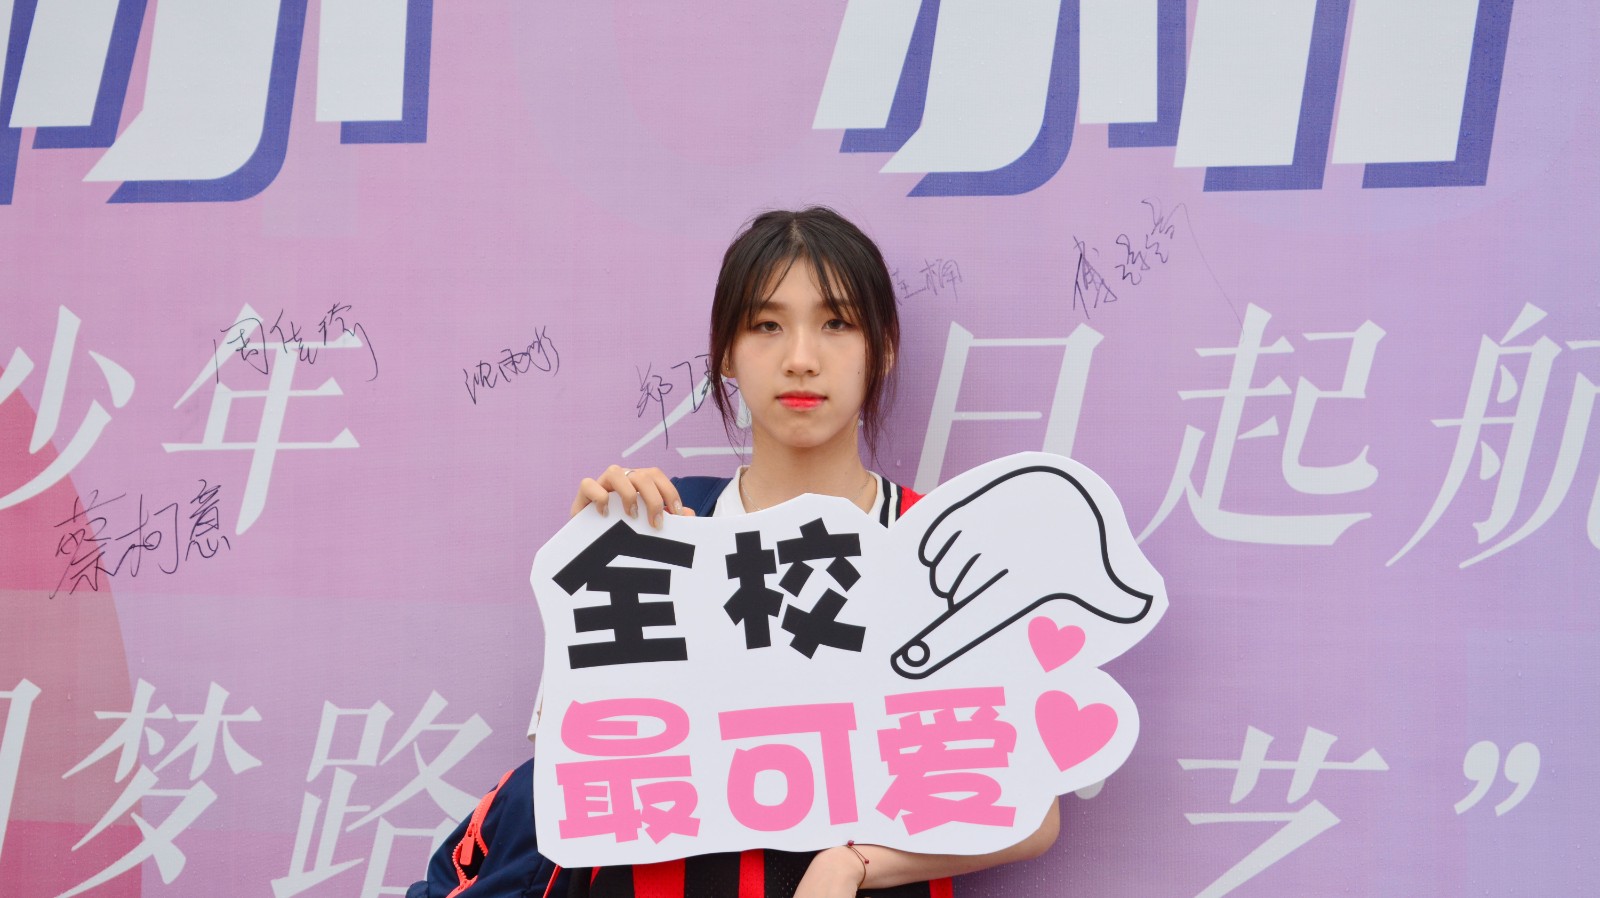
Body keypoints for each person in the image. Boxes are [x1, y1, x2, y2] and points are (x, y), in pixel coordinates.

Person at [565, 207, 1060, 897]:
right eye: (766, 325)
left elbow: (1031, 809)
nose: (801, 357)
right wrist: (595, 567)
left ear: (882, 348)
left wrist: (854, 863)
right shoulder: (668, 530)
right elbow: (583, 771)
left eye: (837, 323)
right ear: (726, 352)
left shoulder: (940, 550)